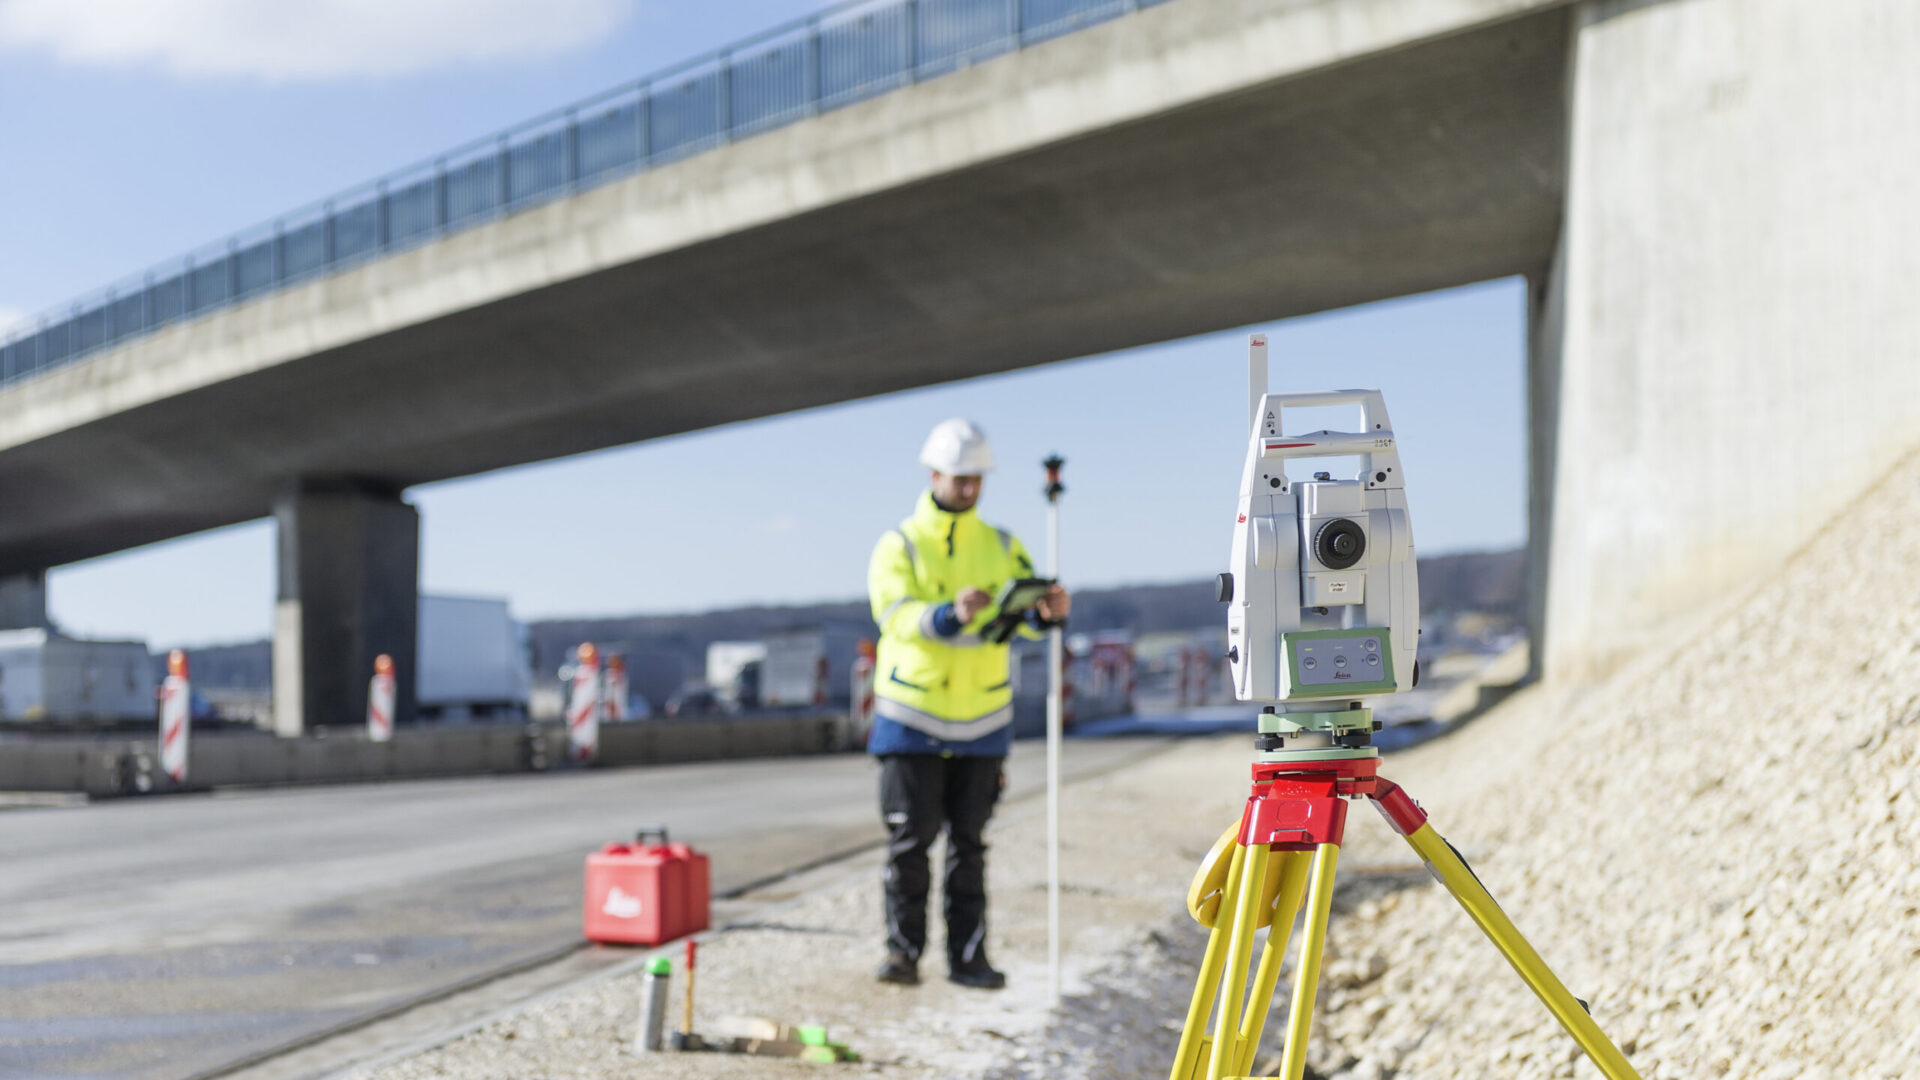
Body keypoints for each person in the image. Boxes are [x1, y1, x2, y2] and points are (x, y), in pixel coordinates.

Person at [865, 418, 1071, 990]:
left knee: (970, 847)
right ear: (934, 474)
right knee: (911, 842)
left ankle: (969, 961)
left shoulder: (1003, 544)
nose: (969, 488)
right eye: (960, 478)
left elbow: (1023, 621)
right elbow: (894, 616)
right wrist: (947, 613)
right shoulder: (899, 544)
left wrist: (1046, 613)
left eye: (976, 478)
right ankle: (902, 956)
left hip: (983, 718)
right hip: (911, 717)